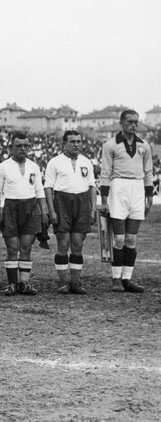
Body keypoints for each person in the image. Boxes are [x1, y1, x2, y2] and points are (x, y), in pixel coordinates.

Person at [98, 110, 154, 293]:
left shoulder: (144, 145)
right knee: (119, 238)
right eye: (130, 122)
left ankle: (127, 279)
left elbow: (148, 172)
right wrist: (104, 200)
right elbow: (105, 172)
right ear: (121, 123)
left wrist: (149, 197)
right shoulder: (110, 145)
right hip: (119, 186)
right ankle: (115, 278)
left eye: (136, 122)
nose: (134, 125)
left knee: (131, 238)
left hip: (137, 189)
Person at [0, 131, 49, 296]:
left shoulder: (34, 166)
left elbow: (39, 190)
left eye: (25, 146)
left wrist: (44, 211)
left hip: (31, 207)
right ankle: (11, 284)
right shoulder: (3, 167)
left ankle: (24, 283)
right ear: (11, 147)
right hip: (10, 207)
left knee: (26, 247)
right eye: (19, 145)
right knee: (12, 247)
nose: (22, 149)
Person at [43, 130, 97, 295]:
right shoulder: (55, 162)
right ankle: (63, 282)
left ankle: (75, 282)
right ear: (64, 144)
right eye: (72, 141)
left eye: (79, 141)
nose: (76, 145)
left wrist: (93, 208)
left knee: (78, 244)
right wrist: (51, 210)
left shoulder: (86, 162)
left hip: (82, 203)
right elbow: (48, 187)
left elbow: (92, 186)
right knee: (63, 243)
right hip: (62, 202)